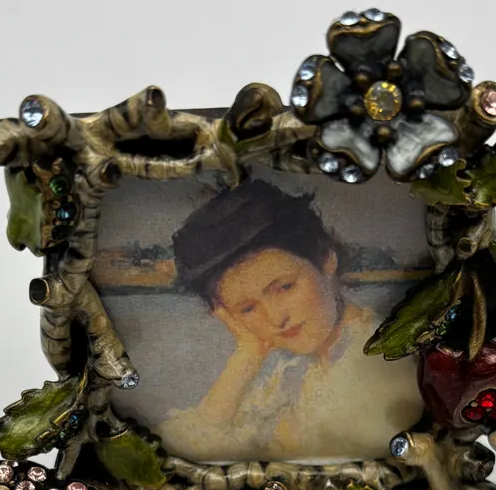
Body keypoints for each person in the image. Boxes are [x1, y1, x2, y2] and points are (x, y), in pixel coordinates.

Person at [158, 179, 422, 462]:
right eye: (248, 308)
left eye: (284, 287)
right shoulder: (293, 374)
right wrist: (246, 358)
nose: (276, 318)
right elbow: (185, 454)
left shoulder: (383, 364)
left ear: (326, 260)